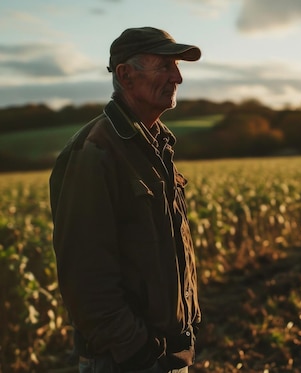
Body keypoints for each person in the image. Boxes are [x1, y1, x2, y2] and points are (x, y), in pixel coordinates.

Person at [49, 27, 202, 373]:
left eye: (177, 66)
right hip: (126, 361)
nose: (177, 77)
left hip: (167, 354)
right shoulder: (96, 151)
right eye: (164, 66)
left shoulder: (154, 145)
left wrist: (186, 326)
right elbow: (85, 275)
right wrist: (136, 350)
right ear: (125, 74)